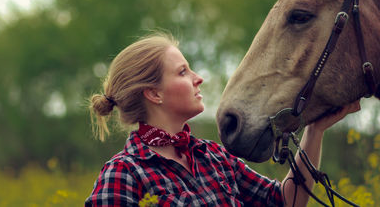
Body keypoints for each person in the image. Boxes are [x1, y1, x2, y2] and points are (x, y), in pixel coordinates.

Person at [84, 32, 360, 207]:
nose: (198, 78)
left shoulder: (214, 157)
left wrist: (315, 130)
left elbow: (286, 201)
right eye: (182, 72)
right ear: (154, 93)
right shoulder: (124, 174)